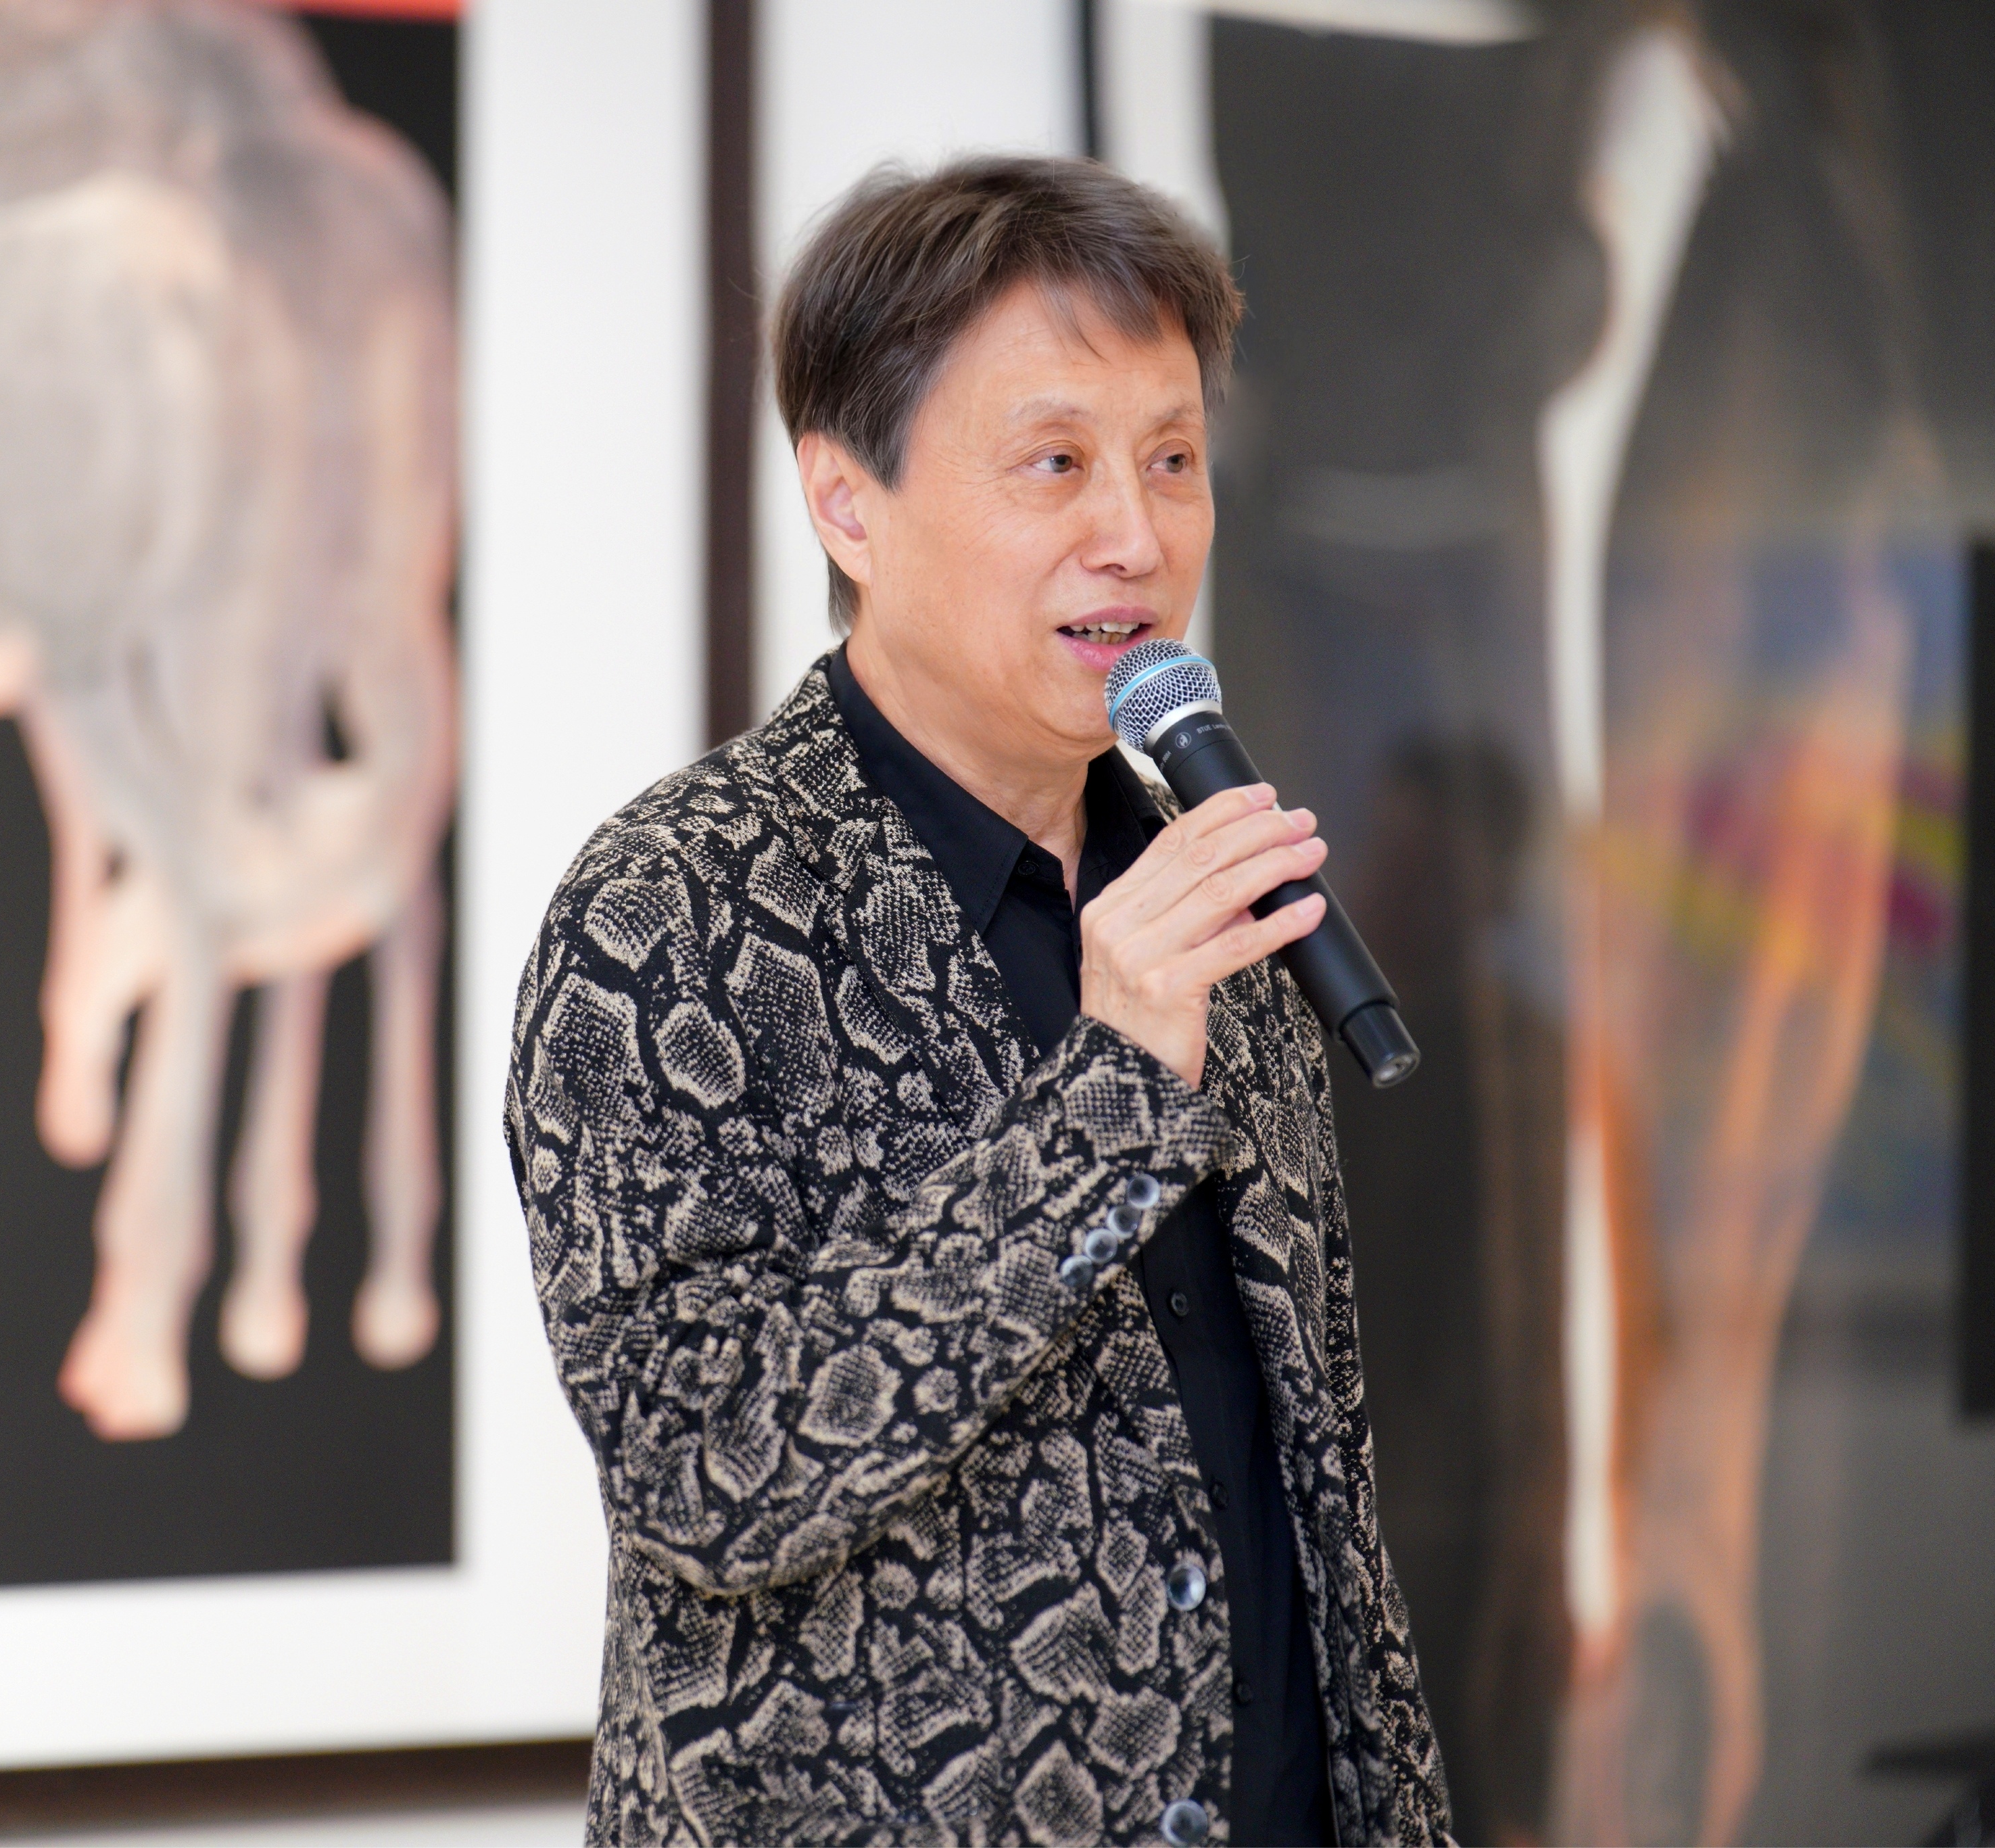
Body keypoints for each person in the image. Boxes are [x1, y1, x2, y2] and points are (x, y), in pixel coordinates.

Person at [506, 155, 1451, 1847]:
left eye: (1172, 459)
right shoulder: (670, 913)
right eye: (1054, 462)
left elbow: (1312, 1489)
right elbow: (703, 1473)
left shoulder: (1201, 882)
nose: (1136, 535)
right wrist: (1108, 1088)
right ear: (846, 504)